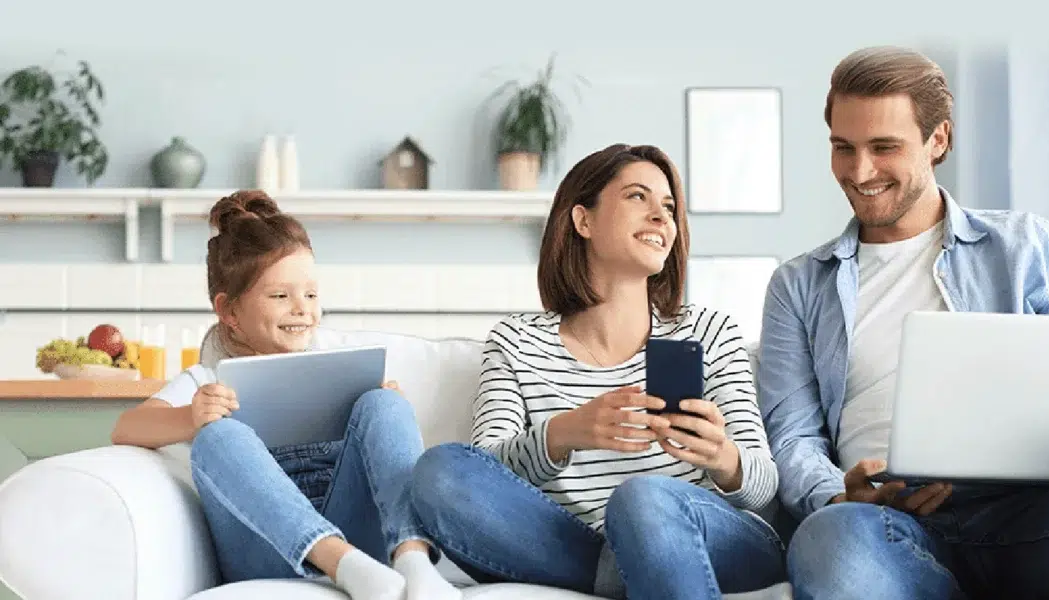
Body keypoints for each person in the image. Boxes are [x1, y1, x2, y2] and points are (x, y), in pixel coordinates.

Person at [757, 46, 1049, 599]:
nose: (859, 171)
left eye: (884, 147)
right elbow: (792, 437)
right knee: (830, 535)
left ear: (938, 140)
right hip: (884, 526)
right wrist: (841, 495)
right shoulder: (799, 285)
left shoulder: (1024, 246)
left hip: (1031, 518)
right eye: (844, 148)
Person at [408, 144, 786, 600]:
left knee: (643, 499)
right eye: (637, 197)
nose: (660, 217)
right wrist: (564, 433)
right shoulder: (516, 342)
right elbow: (483, 472)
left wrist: (721, 457)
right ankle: (626, 569)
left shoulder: (710, 332)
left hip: (713, 539)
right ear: (582, 220)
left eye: (668, 207)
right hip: (575, 545)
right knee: (440, 469)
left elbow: (764, 484)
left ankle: (627, 560)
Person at [110, 190, 460, 600]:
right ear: (230, 311)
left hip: (360, 543)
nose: (302, 309)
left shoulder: (337, 367)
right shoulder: (206, 377)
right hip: (266, 548)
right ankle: (340, 562)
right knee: (219, 436)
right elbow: (125, 428)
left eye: (311, 295)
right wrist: (191, 416)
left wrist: (388, 406)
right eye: (280, 296)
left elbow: (382, 444)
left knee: (385, 403)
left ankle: (413, 561)